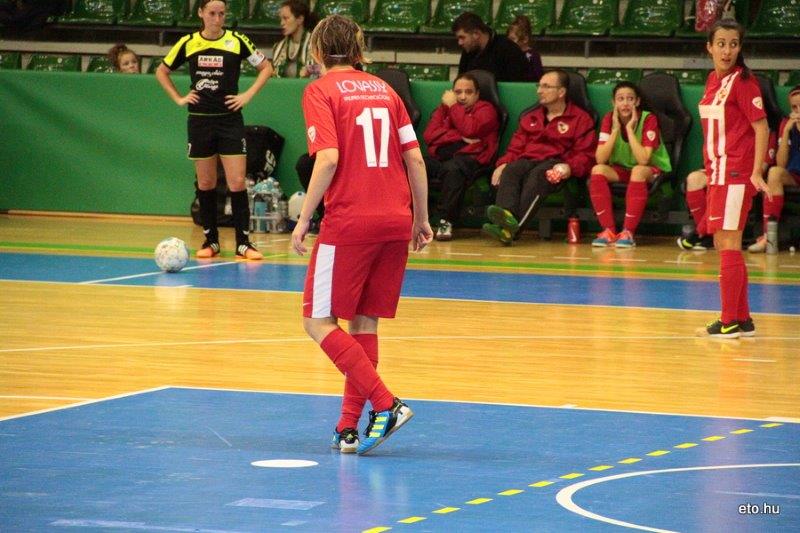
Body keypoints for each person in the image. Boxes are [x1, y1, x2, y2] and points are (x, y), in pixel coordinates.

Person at [291, 15, 432, 455]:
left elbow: (328, 158)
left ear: (316, 51)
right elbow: (415, 159)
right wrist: (421, 218)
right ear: (358, 50)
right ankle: (348, 428)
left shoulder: (320, 90)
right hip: (395, 219)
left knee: (317, 321)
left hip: (351, 220)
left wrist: (303, 218)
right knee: (364, 322)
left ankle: (386, 404)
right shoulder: (386, 90)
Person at [155, 0, 273, 259]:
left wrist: (247, 95)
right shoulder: (188, 43)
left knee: (237, 181)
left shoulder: (237, 41)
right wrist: (179, 98)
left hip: (230, 121)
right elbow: (162, 71)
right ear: (200, 13)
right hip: (200, 121)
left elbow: (266, 67)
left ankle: (243, 243)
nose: (217, 19)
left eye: (221, 14)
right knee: (206, 182)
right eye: (212, 13)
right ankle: (211, 241)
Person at [695, 19, 770, 338]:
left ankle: (730, 321)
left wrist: (756, 171)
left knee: (729, 243)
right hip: (718, 172)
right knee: (722, 242)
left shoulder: (744, 83)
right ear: (709, 47)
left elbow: (761, 127)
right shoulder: (713, 80)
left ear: (740, 48)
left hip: (735, 173)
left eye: (734, 44)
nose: (727, 51)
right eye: (721, 44)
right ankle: (742, 318)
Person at [483, 70, 596, 245]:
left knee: (538, 175)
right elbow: (515, 147)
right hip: (528, 160)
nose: (539, 91)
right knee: (511, 169)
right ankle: (505, 221)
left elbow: (585, 154)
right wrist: (503, 164)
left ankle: (511, 230)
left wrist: (569, 167)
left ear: (561, 92)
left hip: (556, 164)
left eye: (546, 86)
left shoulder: (581, 119)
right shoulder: (530, 117)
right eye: (539, 86)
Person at [588, 82, 672, 248]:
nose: (625, 103)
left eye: (630, 99)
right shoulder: (609, 119)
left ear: (637, 101)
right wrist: (615, 130)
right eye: (620, 99)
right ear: (613, 102)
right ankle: (608, 231)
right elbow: (600, 158)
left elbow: (643, 160)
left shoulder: (648, 119)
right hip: (623, 169)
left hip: (651, 170)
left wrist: (629, 130)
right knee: (597, 170)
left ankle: (628, 232)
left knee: (638, 170)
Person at [423, 72, 499, 241]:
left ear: (477, 94)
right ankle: (419, 214)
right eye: (458, 92)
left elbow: (469, 130)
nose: (463, 97)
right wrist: (459, 136)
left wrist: (453, 108)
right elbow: (429, 136)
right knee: (414, 165)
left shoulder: (486, 110)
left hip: (472, 158)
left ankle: (446, 221)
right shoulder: (444, 109)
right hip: (442, 156)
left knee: (453, 170)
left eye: (468, 92)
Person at [748, 86, 800, 253]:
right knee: (774, 173)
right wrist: (787, 132)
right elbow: (781, 163)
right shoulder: (786, 124)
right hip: (795, 175)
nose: (798, 110)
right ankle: (768, 237)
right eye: (794, 107)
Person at [452, 12, 534, 83]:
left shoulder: (509, 50)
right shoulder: (468, 51)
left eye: (462, 37)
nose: (459, 43)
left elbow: (518, 88)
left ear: (476, 34)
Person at [271, 0, 319, 78]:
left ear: (300, 19)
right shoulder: (278, 47)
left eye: (286, 18)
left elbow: (328, 69)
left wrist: (310, 69)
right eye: (281, 19)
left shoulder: (316, 44)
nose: (281, 23)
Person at [506, 15, 543, 83]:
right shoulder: (508, 54)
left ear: (525, 39)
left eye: (512, 39)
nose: (509, 43)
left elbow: (538, 78)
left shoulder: (533, 56)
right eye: (508, 40)